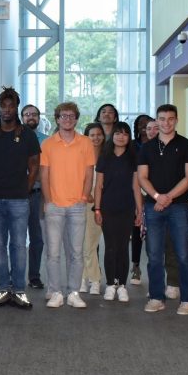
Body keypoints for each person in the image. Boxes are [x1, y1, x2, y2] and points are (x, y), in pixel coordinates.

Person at [0, 87, 40, 309]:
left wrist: (23, 189)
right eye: (3, 106)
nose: (7, 110)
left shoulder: (27, 135)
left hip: (19, 200)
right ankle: (3, 289)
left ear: (16, 108)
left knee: (18, 244)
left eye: (11, 106)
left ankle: (19, 290)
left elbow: (33, 166)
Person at [138, 104, 188, 315]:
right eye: (162, 119)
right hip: (153, 207)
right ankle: (156, 297)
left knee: (184, 254)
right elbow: (142, 177)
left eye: (171, 119)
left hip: (179, 206)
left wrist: (168, 197)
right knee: (154, 255)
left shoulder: (187, 145)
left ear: (176, 120)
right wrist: (157, 197)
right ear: (157, 120)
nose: (166, 123)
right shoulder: (147, 147)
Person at [40, 102, 94, 309]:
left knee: (76, 253)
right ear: (57, 119)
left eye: (71, 116)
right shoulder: (48, 144)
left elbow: (89, 173)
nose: (67, 119)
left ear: (77, 118)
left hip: (77, 205)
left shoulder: (86, 143)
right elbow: (43, 174)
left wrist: (84, 196)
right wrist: (48, 200)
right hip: (54, 205)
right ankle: (55, 292)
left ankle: (73, 292)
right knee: (53, 253)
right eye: (63, 116)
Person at [94, 121, 143, 303]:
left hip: (127, 208)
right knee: (110, 247)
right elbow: (98, 186)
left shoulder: (133, 157)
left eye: (124, 134)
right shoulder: (104, 157)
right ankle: (110, 284)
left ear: (129, 137)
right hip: (107, 208)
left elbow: (136, 187)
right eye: (117, 133)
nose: (121, 137)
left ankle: (121, 285)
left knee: (122, 247)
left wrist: (140, 211)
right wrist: (97, 209)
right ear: (112, 136)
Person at [21, 103, 48, 289]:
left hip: (37, 194)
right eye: (27, 114)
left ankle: (34, 276)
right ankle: (15, 278)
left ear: (39, 118)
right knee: (17, 238)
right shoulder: (13, 137)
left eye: (34, 114)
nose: (31, 117)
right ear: (22, 117)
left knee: (37, 238)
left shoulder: (47, 141)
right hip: (16, 195)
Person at [129, 114, 155, 285]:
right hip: (135, 193)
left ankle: (155, 272)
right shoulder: (132, 145)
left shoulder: (160, 145)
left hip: (155, 195)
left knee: (154, 236)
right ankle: (136, 266)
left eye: (148, 124)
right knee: (136, 232)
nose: (144, 127)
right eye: (141, 124)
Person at [82, 123, 106, 293]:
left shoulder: (109, 156)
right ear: (86, 137)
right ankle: (89, 279)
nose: (96, 137)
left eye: (99, 134)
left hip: (106, 202)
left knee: (96, 242)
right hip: (87, 201)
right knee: (87, 243)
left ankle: (93, 278)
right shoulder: (81, 156)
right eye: (92, 134)